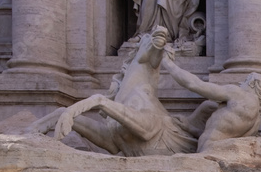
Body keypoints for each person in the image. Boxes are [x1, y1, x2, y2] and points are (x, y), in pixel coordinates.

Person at [50, 27, 199, 156]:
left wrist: (97, 102)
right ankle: (34, 130)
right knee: (59, 113)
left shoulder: (145, 97)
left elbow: (146, 132)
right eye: (148, 39)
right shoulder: (123, 96)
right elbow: (111, 143)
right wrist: (63, 113)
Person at [161, 58, 261, 152]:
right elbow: (223, 136)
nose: (241, 84)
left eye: (245, 81)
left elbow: (194, 84)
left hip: (208, 152)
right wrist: (190, 128)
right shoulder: (256, 121)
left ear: (253, 84)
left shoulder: (239, 94)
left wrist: (167, 63)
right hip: (218, 153)